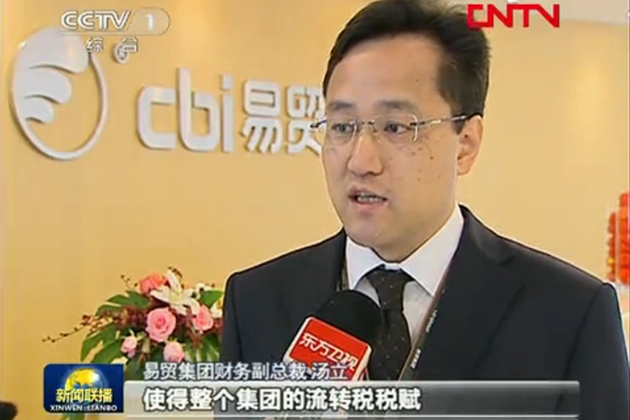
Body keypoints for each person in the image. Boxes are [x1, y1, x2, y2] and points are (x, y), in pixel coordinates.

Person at [220, 0, 630, 418]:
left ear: (466, 144)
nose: (361, 160)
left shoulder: (568, 313)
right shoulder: (256, 302)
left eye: (396, 127)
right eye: (342, 127)